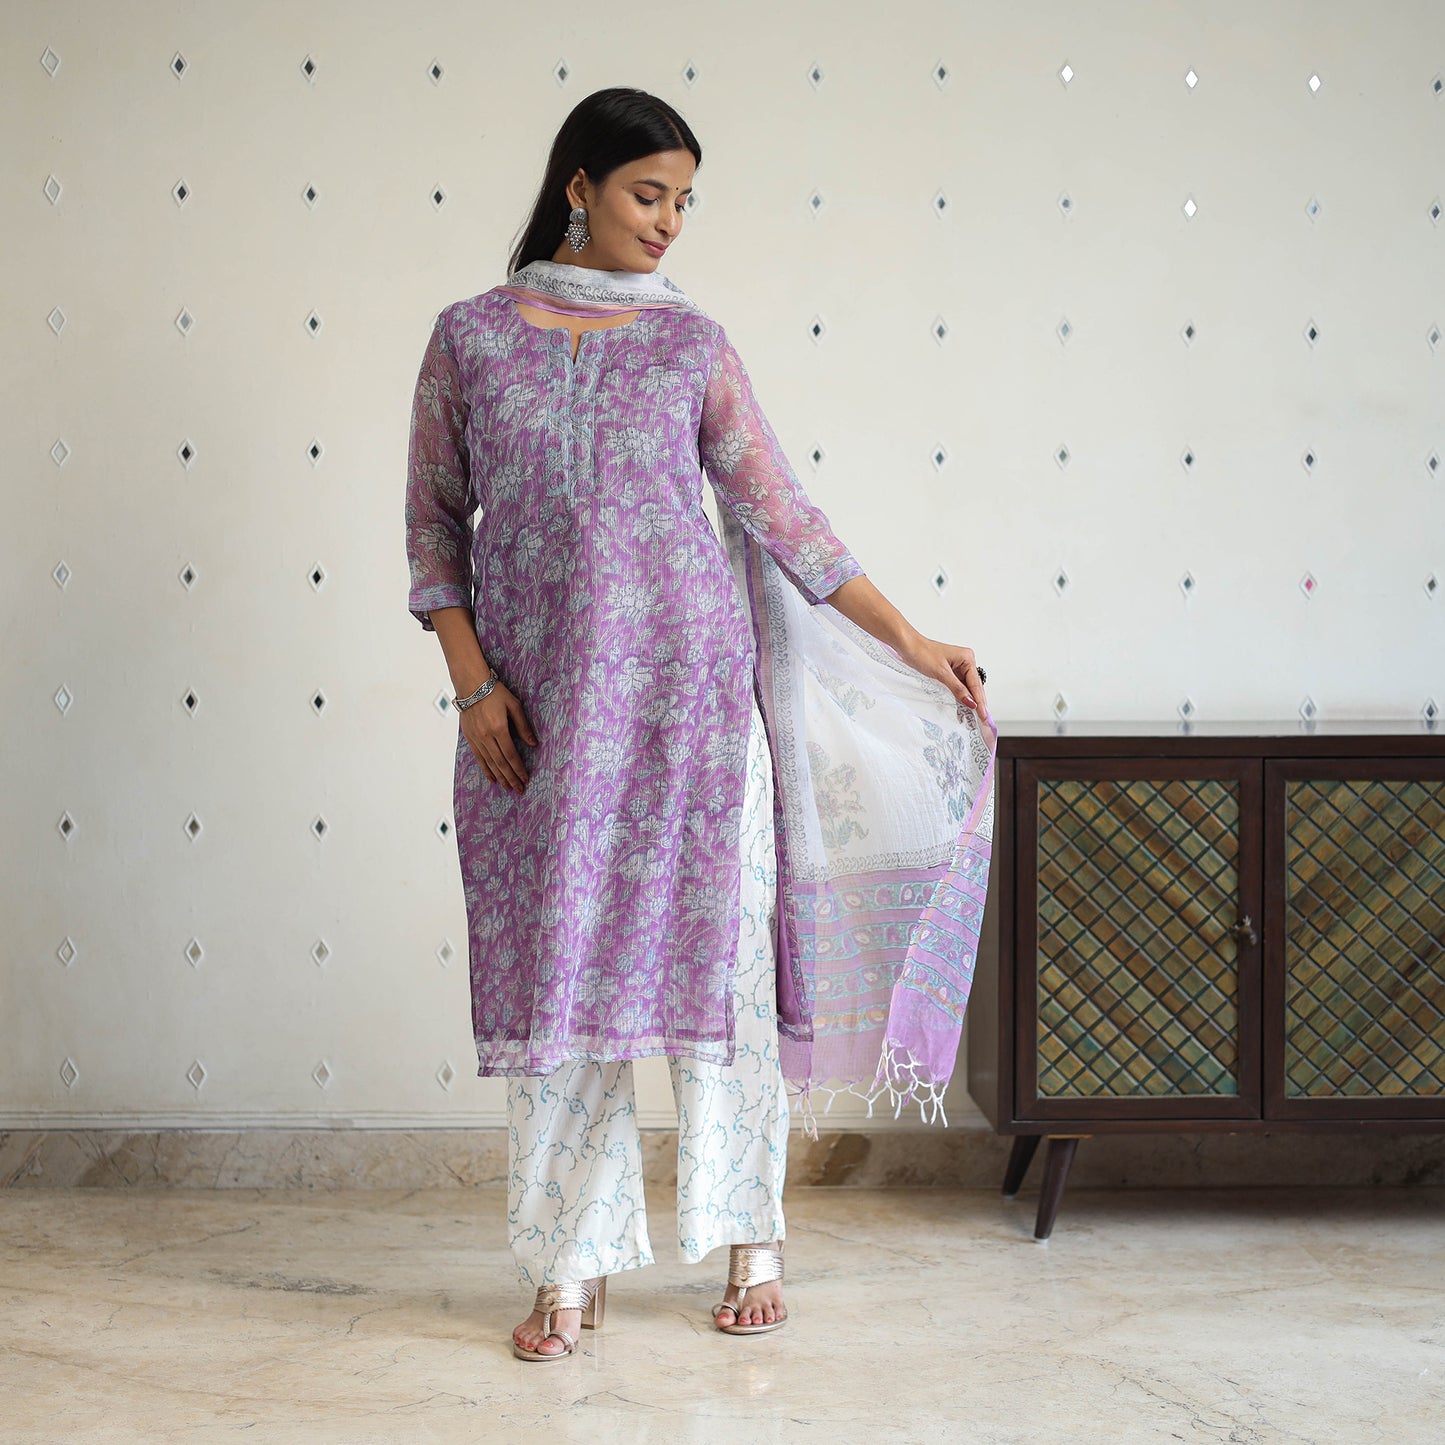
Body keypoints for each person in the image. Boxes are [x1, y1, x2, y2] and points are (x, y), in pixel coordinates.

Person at [405, 86, 997, 1362]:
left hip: (693, 715)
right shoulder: (471, 339)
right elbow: (432, 528)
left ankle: (750, 1234)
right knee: (563, 979)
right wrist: (472, 683)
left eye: (683, 200)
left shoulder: (690, 345)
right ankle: (567, 1259)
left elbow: (783, 514)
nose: (669, 221)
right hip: (540, 719)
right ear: (579, 187)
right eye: (646, 193)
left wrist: (911, 639)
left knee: (719, 976)